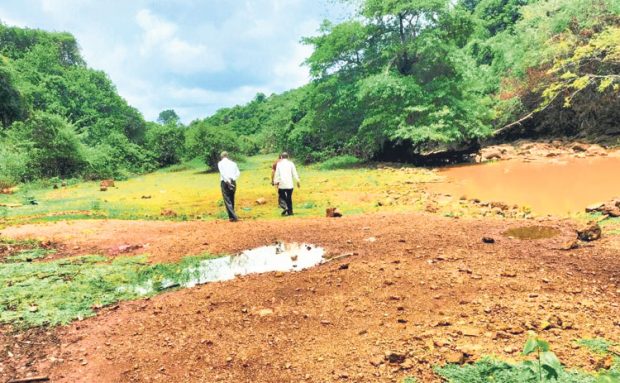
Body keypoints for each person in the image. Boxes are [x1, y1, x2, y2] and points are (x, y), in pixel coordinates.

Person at [217, 151, 240, 222]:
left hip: (225, 182)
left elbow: (222, 173)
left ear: (221, 157)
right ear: (227, 156)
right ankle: (231, 217)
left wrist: (228, 181)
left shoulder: (220, 163)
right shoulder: (233, 163)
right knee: (232, 198)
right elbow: (238, 173)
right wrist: (233, 179)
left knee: (227, 199)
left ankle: (234, 216)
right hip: (233, 181)